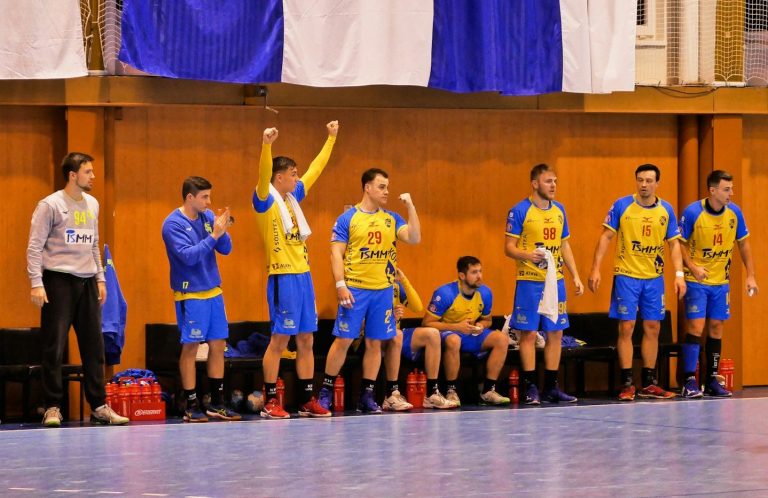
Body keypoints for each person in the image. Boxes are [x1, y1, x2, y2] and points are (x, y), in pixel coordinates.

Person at [26, 152, 129, 427]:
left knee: (94, 347)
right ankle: (52, 407)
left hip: (87, 282)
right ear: (73, 175)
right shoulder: (50, 205)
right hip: (58, 281)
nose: (93, 176)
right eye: (88, 172)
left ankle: (99, 406)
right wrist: (36, 283)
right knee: (54, 346)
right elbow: (34, 247)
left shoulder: (93, 204)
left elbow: (93, 244)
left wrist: (100, 278)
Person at [252, 121, 338, 418]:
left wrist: (331, 138)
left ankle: (305, 400)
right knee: (279, 340)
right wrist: (266, 145)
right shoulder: (265, 200)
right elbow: (263, 174)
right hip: (283, 276)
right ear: (279, 177)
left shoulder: (292, 198)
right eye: (293, 174)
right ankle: (270, 401)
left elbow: (315, 170)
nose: (298, 178)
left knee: (306, 339)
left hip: (304, 276)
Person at [318, 168, 421, 414]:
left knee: (375, 343)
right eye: (382, 186)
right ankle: (325, 393)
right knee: (344, 340)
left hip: (383, 290)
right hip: (355, 289)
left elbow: (414, 238)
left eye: (387, 187)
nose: (387, 191)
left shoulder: (392, 218)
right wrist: (340, 284)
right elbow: (335, 253)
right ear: (367, 187)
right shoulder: (348, 218)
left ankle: (367, 395)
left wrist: (411, 207)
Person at [588, 163, 686, 401]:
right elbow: (606, 237)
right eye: (640, 180)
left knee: (653, 327)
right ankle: (627, 383)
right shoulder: (622, 205)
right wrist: (595, 268)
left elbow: (674, 244)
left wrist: (679, 275)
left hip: (654, 278)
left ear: (657, 183)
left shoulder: (666, 210)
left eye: (649, 181)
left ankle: (650, 383)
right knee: (627, 327)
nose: (644, 185)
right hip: (627, 276)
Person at [161, 176, 240, 422]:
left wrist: (221, 230)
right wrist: (214, 236)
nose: (209, 201)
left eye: (209, 196)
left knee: (218, 345)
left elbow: (226, 249)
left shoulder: (207, 218)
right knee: (191, 347)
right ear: (190, 197)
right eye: (204, 197)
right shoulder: (172, 224)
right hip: (190, 293)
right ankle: (191, 403)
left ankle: (217, 403)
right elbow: (189, 257)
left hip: (213, 291)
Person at [504, 164, 584, 405]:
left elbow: (564, 244)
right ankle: (530, 386)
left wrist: (575, 275)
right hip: (529, 281)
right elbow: (509, 248)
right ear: (535, 183)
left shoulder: (559, 210)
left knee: (556, 333)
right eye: (548, 181)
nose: (553, 185)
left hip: (555, 281)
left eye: (555, 181)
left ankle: (551, 386)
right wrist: (529, 256)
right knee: (528, 333)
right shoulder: (519, 210)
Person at [678, 170, 759, 398]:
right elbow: (679, 243)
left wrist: (750, 275)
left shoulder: (735, 213)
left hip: (721, 282)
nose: (731, 193)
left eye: (731, 189)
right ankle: (689, 380)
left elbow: (743, 244)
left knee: (716, 327)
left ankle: (712, 379)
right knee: (696, 327)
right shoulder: (693, 212)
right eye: (726, 189)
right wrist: (692, 267)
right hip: (697, 280)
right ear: (712, 190)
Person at [422, 256, 510, 407]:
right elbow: (426, 324)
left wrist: (481, 325)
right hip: (447, 333)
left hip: (470, 333)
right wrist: (457, 327)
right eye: (474, 272)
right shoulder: (445, 293)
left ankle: (488, 391)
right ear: (462, 276)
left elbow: (487, 320)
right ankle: (451, 390)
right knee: (454, 340)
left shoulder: (485, 293)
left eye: (480, 271)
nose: (479, 276)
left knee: (501, 339)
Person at [381, 268, 458, 410]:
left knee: (432, 334)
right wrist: (389, 319)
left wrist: (404, 280)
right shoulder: (367, 287)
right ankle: (391, 394)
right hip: (375, 336)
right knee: (397, 334)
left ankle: (432, 393)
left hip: (396, 333)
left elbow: (417, 307)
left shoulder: (395, 287)